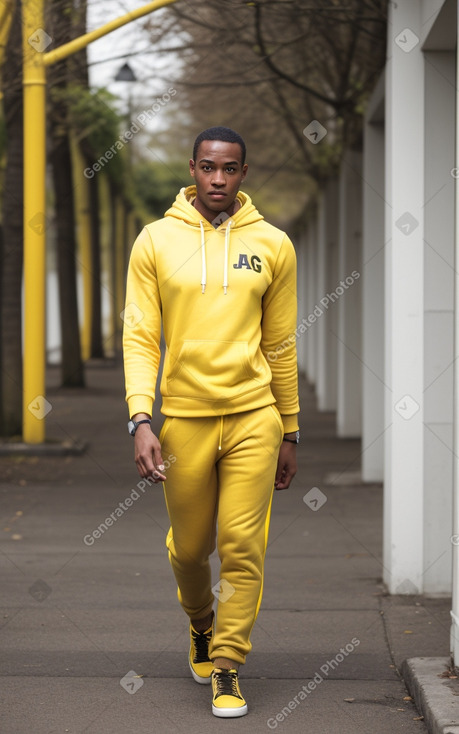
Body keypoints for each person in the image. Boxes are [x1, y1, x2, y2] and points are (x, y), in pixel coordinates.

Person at [123, 126, 300, 718]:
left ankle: (228, 665)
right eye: (208, 167)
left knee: (242, 546)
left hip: (254, 415)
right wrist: (140, 418)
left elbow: (279, 345)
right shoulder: (155, 241)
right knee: (192, 550)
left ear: (244, 173)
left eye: (229, 169)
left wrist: (290, 429)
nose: (218, 179)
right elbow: (141, 335)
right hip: (185, 421)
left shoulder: (274, 244)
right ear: (192, 169)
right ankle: (200, 621)